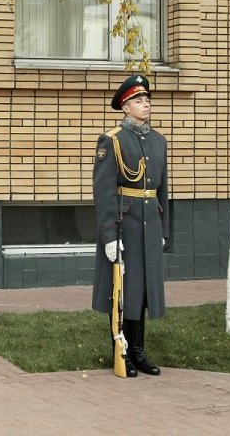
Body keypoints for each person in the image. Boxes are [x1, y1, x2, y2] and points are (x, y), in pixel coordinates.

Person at [91, 74, 168, 377]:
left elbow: (162, 190)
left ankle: (138, 350)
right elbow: (104, 191)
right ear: (125, 107)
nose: (145, 104)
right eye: (138, 100)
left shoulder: (158, 141)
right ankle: (121, 350)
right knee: (123, 289)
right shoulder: (112, 140)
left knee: (144, 290)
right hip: (125, 224)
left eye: (147, 99)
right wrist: (109, 234)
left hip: (150, 224)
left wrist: (163, 230)